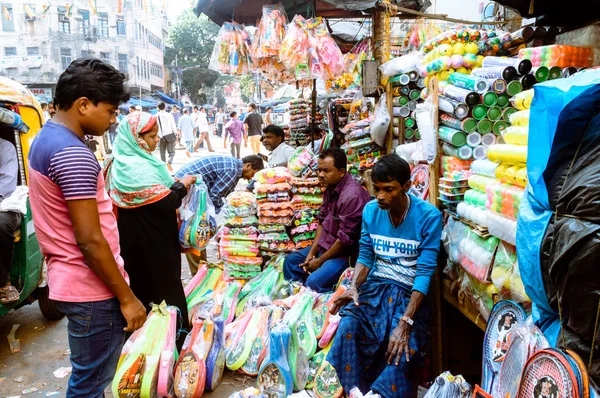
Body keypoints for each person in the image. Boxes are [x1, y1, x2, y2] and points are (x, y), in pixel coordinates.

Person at [28, 58, 146, 397]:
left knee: (88, 379)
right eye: (109, 112)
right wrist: (127, 299)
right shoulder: (72, 153)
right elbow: (90, 240)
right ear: (83, 105)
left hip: (70, 282)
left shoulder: (46, 139)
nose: (112, 121)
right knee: (90, 386)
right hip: (92, 289)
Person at [327, 154, 442, 398]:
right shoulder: (371, 211)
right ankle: (353, 390)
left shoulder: (429, 217)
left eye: (389, 189)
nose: (381, 196)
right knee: (348, 325)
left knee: (401, 343)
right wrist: (354, 286)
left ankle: (380, 394)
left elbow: (424, 273)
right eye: (376, 189)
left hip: (408, 294)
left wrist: (406, 321)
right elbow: (366, 255)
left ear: (407, 187)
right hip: (376, 287)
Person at [104, 111, 197, 347]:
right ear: (136, 138)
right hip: (156, 243)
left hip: (129, 241)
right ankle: (174, 343)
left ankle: (142, 345)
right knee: (166, 289)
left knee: (140, 288)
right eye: (152, 136)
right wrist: (182, 185)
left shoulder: (116, 164)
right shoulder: (139, 166)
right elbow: (166, 201)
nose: (157, 140)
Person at [283, 148, 370, 292]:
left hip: (344, 256)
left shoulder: (352, 196)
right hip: (325, 247)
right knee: (291, 262)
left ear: (342, 171)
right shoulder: (330, 188)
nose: (321, 175)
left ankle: (322, 305)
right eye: (319, 170)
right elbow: (322, 223)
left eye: (326, 171)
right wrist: (312, 252)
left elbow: (344, 240)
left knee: (313, 282)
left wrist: (319, 261)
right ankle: (296, 300)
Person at [175, 154, 264, 274]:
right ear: (248, 166)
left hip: (187, 188)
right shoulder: (232, 171)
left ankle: (201, 268)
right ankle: (199, 274)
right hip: (187, 189)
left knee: (199, 233)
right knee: (194, 233)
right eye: (253, 174)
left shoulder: (232, 165)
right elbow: (215, 197)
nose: (250, 179)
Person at [0, 137, 21, 304]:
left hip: (5, 204)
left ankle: (4, 283)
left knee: (1, 223)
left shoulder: (5, 148)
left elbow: (6, 185)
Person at [156, 102, 178, 172]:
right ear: (165, 107)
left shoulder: (155, 116)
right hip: (169, 135)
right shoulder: (169, 115)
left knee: (162, 153)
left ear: (158, 108)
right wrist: (176, 134)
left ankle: (164, 169)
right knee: (171, 152)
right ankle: (169, 162)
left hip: (161, 137)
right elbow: (173, 126)